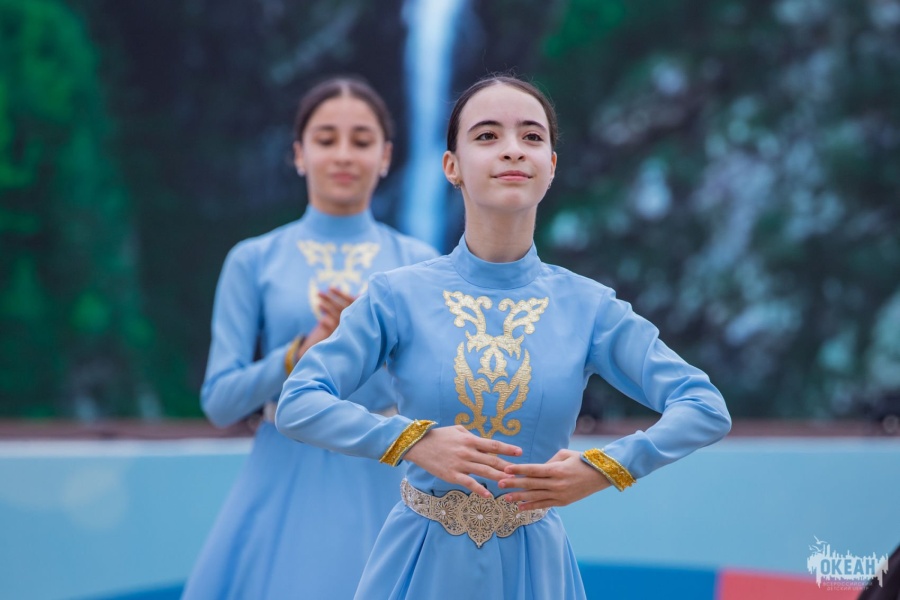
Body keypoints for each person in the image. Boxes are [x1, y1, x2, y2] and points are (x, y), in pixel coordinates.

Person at [275, 74, 732, 599]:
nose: (513, 149)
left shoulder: (589, 307)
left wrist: (605, 468)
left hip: (535, 572)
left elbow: (704, 406)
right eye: (488, 135)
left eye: (531, 137)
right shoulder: (395, 296)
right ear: (452, 166)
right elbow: (299, 402)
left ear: (551, 166)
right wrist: (411, 441)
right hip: (419, 568)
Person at [181, 76, 438, 600]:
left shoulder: (420, 265)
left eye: (361, 141)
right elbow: (220, 402)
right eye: (326, 139)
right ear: (299, 154)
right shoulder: (253, 260)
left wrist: (369, 348)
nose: (343, 155)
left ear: (386, 156)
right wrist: (298, 353)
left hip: (386, 474)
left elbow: (440, 395)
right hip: (284, 472)